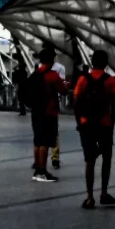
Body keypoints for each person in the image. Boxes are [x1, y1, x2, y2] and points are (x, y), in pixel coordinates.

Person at [73, 50, 115, 208]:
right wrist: (112, 123)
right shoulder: (110, 81)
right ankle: (104, 193)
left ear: (92, 62)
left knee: (89, 160)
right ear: (106, 63)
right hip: (104, 124)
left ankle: (89, 197)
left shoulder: (82, 80)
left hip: (87, 124)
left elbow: (76, 103)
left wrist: (80, 123)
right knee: (106, 158)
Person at [25, 42, 69, 181]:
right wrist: (64, 85)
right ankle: (43, 172)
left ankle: (37, 170)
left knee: (37, 142)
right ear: (52, 60)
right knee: (45, 142)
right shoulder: (52, 75)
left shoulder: (34, 75)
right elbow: (63, 91)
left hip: (36, 112)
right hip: (49, 112)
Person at [50, 53, 68, 169]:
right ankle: (54, 158)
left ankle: (51, 158)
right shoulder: (52, 74)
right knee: (53, 132)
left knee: (41, 134)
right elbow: (63, 88)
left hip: (46, 104)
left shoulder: (59, 68)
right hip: (51, 104)